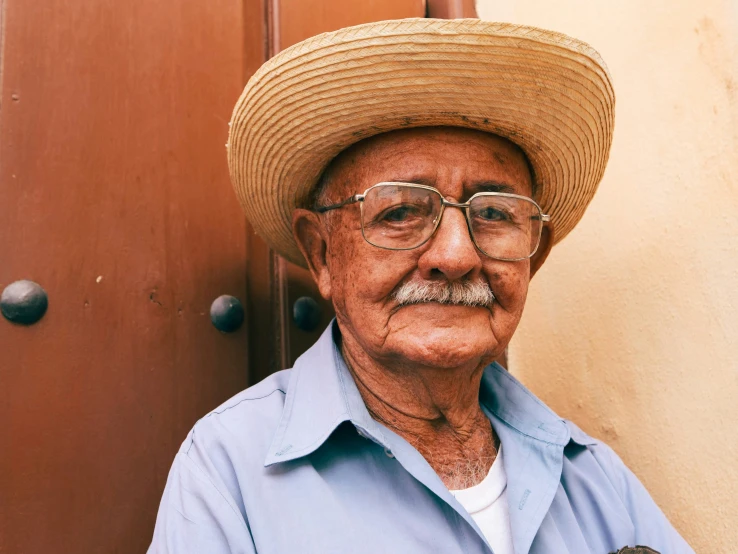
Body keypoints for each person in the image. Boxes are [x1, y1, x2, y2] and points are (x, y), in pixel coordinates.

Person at [148, 19, 694, 553]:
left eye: (495, 213)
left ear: (534, 254)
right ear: (322, 254)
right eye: (402, 211)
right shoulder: (229, 473)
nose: (455, 256)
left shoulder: (594, 477)